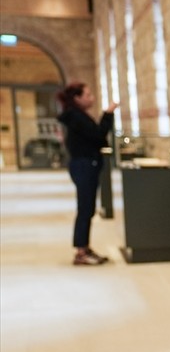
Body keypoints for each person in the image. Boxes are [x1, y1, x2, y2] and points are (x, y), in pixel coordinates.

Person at [56, 82, 117, 265]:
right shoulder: (75, 117)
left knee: (87, 208)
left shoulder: (75, 116)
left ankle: (84, 247)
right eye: (88, 95)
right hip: (84, 165)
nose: (92, 98)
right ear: (77, 98)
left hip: (84, 164)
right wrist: (108, 114)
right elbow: (98, 135)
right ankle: (81, 251)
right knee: (85, 208)